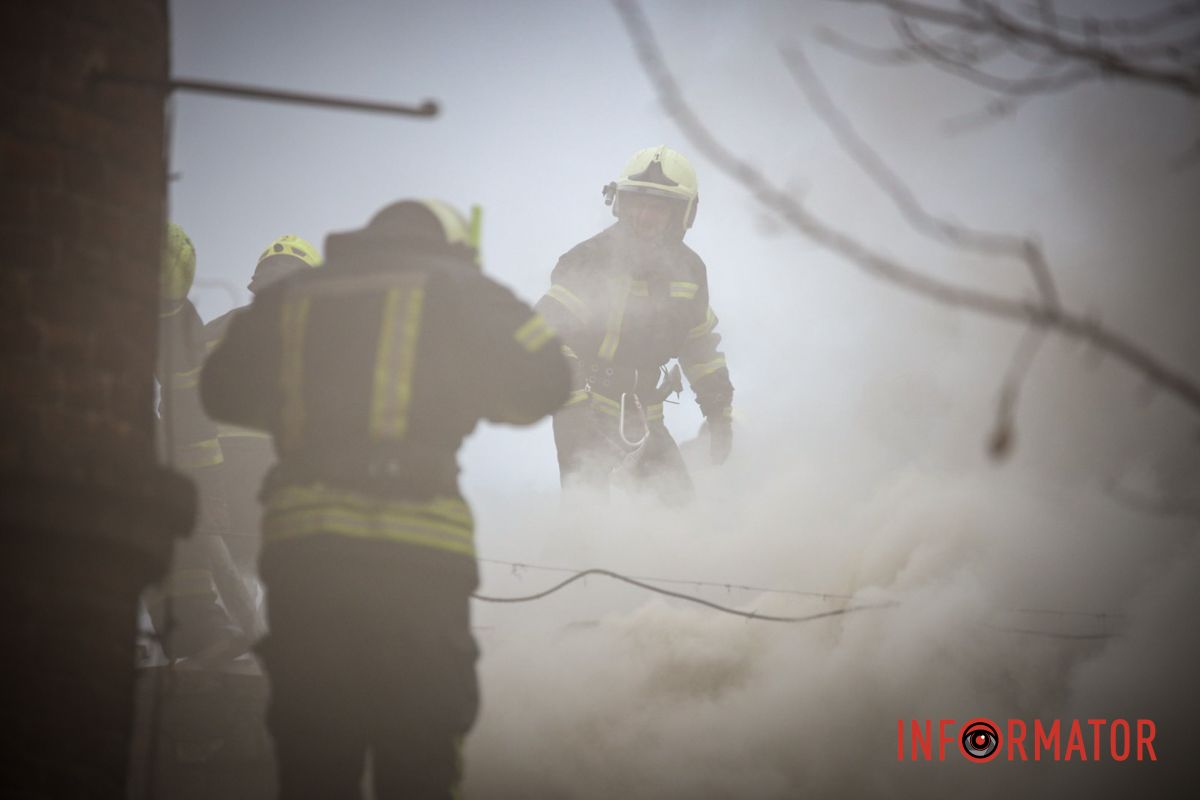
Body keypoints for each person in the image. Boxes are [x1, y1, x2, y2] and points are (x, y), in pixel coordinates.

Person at [200, 199, 570, 798]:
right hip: (419, 553)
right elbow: (549, 381)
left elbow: (220, 393)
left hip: (307, 552)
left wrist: (304, 414)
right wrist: (464, 397)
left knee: (315, 746)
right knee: (420, 744)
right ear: (453, 245)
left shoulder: (295, 293)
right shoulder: (465, 288)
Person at [153, 229, 322, 659]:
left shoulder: (213, 331)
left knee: (218, 570)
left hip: (211, 473)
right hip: (276, 479)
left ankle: (223, 642)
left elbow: (175, 402)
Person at [535, 145, 734, 504]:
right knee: (590, 522)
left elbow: (700, 346)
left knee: (677, 517)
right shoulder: (588, 261)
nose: (644, 215)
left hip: (645, 414)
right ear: (619, 203)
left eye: (658, 207)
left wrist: (719, 413)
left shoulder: (690, 271)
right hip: (586, 407)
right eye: (637, 203)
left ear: (681, 214)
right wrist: (576, 409)